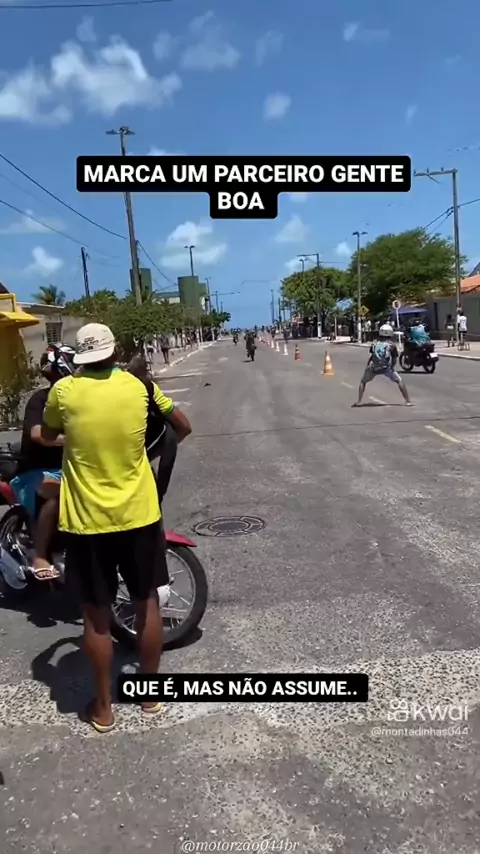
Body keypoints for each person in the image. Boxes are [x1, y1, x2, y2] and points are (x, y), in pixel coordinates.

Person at [41, 323, 192, 732]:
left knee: (96, 619)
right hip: (139, 516)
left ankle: (104, 709)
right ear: (115, 351)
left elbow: (48, 434)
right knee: (147, 604)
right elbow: (182, 426)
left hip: (87, 522)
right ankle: (150, 696)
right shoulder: (140, 387)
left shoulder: (64, 392)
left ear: (80, 358)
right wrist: (144, 454)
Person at [11, 344, 76, 580]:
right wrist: (73, 439)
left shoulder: (80, 401)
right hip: (35, 472)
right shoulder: (40, 400)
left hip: (68, 469)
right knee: (57, 494)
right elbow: (37, 434)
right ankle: (41, 556)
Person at [353, 323, 412, 407]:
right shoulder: (392, 345)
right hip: (386, 368)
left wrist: (369, 365)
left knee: (363, 381)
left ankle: (359, 401)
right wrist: (391, 368)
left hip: (373, 368)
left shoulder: (374, 343)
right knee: (399, 381)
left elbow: (372, 355)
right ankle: (408, 401)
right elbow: (394, 359)